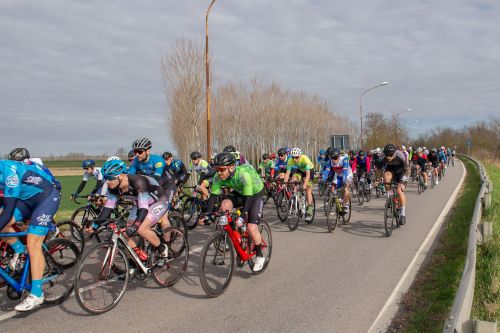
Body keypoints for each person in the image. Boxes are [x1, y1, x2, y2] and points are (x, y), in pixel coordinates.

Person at [0, 160, 61, 311]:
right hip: (25, 199)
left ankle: (37, 293)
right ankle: (20, 250)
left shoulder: (9, 173)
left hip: (46, 198)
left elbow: (8, 212)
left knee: (33, 244)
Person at [200, 152, 266, 271]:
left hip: (255, 194)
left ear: (231, 167)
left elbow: (249, 198)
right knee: (224, 206)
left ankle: (260, 254)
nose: (219, 172)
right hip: (240, 192)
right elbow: (213, 197)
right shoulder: (217, 177)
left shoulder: (242, 175)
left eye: (221, 169)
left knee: (251, 227)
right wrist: (207, 215)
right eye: (216, 169)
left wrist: (242, 216)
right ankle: (238, 240)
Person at [93, 159, 171, 258]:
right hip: (141, 202)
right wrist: (95, 224)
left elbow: (144, 209)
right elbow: (108, 208)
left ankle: (162, 248)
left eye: (109, 177)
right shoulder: (113, 187)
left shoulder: (138, 182)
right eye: (105, 178)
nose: (107, 181)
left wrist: (136, 226)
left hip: (159, 200)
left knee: (141, 229)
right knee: (126, 230)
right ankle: (139, 257)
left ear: (121, 176)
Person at [283, 148, 315, 221]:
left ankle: (310, 211)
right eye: (293, 157)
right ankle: (297, 197)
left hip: (309, 171)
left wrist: (304, 185)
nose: (295, 159)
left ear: (300, 156)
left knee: (308, 190)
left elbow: (307, 175)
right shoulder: (290, 160)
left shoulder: (305, 159)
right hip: (300, 170)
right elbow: (287, 173)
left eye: (296, 157)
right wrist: (285, 183)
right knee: (293, 180)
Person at [381, 144, 409, 225]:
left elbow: (407, 170)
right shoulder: (383, 157)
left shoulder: (400, 156)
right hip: (390, 172)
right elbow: (379, 169)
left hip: (401, 173)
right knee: (386, 178)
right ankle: (389, 197)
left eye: (391, 155)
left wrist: (403, 182)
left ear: (394, 153)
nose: (389, 157)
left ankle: (403, 214)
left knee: (399, 191)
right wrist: (377, 179)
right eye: (387, 155)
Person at [323, 148, 352, 213]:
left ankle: (346, 205)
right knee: (332, 188)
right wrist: (324, 179)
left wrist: (344, 181)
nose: (333, 160)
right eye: (332, 158)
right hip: (338, 175)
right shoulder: (330, 161)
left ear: (339, 156)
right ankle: (338, 201)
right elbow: (327, 171)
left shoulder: (344, 160)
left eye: (335, 158)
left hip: (347, 175)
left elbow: (345, 171)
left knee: (345, 189)